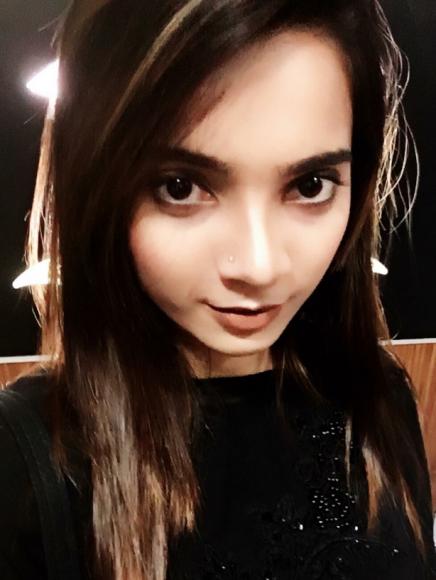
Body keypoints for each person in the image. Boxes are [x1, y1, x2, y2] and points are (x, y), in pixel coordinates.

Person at [1, 0, 435, 578]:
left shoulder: (379, 396)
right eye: (180, 187)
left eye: (310, 184)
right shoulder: (24, 458)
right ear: (97, 186)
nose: (259, 266)